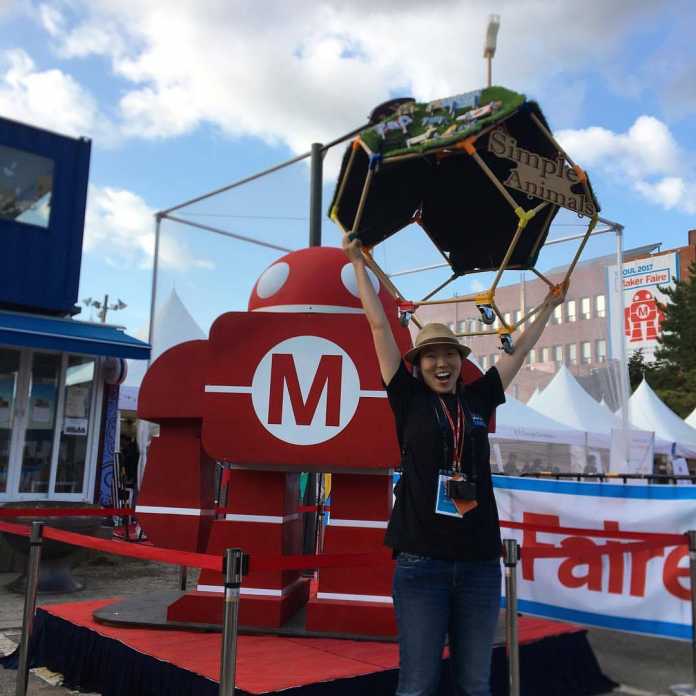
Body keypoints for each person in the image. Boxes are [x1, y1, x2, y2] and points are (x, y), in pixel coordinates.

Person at [343, 234, 567, 696]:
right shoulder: (407, 399)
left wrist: (548, 305)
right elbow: (379, 327)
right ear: (418, 364)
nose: (441, 363)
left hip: (480, 564)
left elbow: (519, 350)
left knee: (475, 683)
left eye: (449, 354)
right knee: (418, 684)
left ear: (460, 361)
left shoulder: (479, 398)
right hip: (420, 563)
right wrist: (358, 264)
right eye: (431, 355)